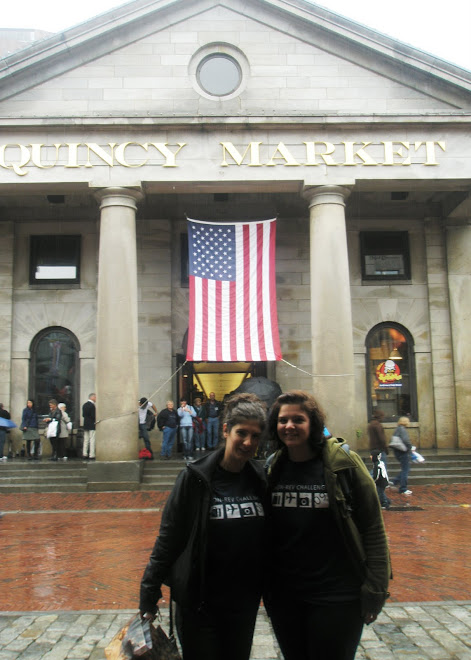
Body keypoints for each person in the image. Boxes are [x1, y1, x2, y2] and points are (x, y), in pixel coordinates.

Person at [139, 393, 268, 660]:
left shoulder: (260, 479)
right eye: (241, 433)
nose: (248, 442)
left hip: (242, 603)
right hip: (199, 603)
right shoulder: (194, 478)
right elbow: (169, 536)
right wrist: (149, 590)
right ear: (225, 430)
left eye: (255, 436)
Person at [264, 390, 390, 660]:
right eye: (283, 420)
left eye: (298, 419)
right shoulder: (273, 467)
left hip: (337, 595)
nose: (289, 426)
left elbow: (373, 528)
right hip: (285, 595)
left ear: (313, 423)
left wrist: (376, 588)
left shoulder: (344, 465)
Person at [390, 416, 413, 495]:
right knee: (405, 470)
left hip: (397, 451)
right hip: (403, 452)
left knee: (404, 469)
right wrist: (410, 447)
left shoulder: (397, 429)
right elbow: (406, 440)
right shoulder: (402, 430)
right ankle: (403, 488)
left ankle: (394, 481)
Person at [82, 393, 96, 460]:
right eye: (95, 397)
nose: (96, 399)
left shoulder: (84, 405)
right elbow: (93, 416)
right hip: (91, 424)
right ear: (92, 397)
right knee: (92, 439)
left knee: (86, 439)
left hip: (85, 424)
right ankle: (91, 454)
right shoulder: (92, 405)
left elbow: (83, 415)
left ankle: (84, 453)